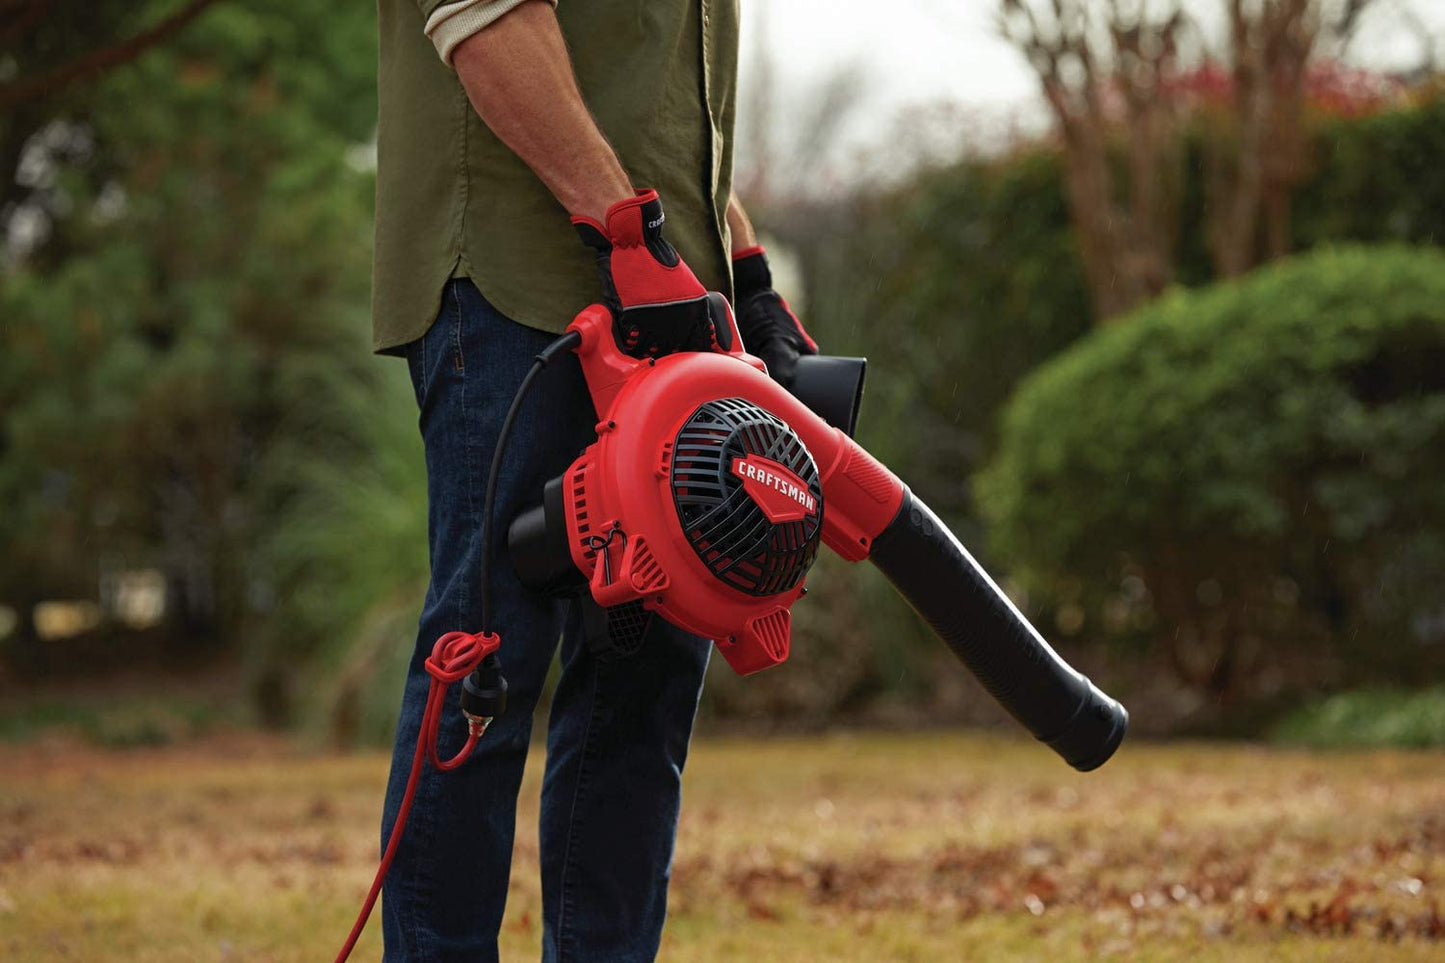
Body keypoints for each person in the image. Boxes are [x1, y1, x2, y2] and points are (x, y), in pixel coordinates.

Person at [372, 1, 820, 959]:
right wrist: (622, 226)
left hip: (671, 301)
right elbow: (483, 19)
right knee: (487, 661)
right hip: (510, 287)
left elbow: (654, 110)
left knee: (646, 676)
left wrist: (739, 260)